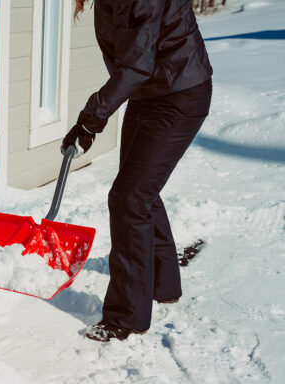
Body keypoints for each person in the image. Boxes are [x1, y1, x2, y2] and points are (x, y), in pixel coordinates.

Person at [61, 0, 213, 342]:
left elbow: (135, 63)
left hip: (180, 94)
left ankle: (125, 317)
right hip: (149, 92)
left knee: (130, 198)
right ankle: (162, 284)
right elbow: (130, 61)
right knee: (139, 190)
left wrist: (90, 120)